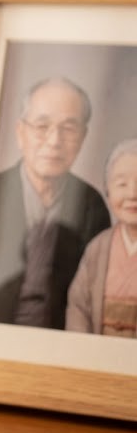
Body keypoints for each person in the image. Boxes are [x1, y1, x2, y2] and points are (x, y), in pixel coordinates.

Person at [0, 77, 110, 329]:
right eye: (42, 126)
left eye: (68, 129)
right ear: (21, 133)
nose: (54, 140)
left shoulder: (92, 204)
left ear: (83, 137)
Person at [66, 138, 137, 336]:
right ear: (108, 191)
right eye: (122, 184)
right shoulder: (98, 248)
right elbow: (78, 307)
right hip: (96, 351)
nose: (132, 194)